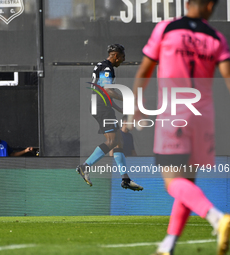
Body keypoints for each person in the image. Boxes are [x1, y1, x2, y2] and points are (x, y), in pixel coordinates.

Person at [132, 0, 230, 254]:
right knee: (187, 182)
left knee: (171, 182)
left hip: (175, 112)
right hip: (204, 115)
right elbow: (228, 77)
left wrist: (137, 106)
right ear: (210, 6)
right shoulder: (217, 38)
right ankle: (168, 244)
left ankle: (217, 218)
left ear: (187, 3)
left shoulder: (167, 29)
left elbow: (144, 71)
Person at [76, 44, 143, 191]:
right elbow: (107, 90)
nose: (123, 61)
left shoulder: (102, 65)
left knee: (118, 142)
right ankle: (85, 166)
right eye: (122, 57)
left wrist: (118, 108)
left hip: (100, 105)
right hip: (101, 108)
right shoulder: (107, 68)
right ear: (116, 56)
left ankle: (125, 179)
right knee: (112, 141)